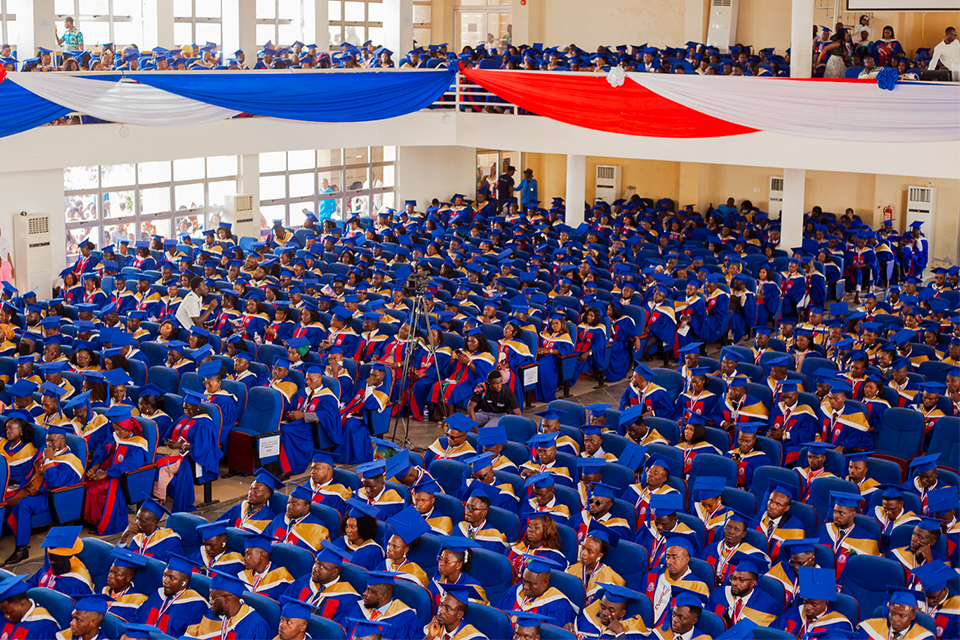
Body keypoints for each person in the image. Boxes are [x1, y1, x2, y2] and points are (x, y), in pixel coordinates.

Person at [4, 424, 84, 566]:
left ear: (63, 441)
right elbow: (30, 466)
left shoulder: (70, 461)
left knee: (24, 504)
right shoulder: (46, 450)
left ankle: (21, 549)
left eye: (53, 441)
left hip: (53, 497)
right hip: (35, 489)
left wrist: (48, 461)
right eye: (48, 440)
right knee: (5, 498)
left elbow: (55, 483)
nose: (49, 444)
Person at [134, 554, 209, 637]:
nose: (165, 581)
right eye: (164, 575)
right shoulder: (157, 594)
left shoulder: (196, 605)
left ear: (184, 582)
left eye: (171, 578)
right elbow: (136, 618)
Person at [181, 571, 271, 640]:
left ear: (227, 599)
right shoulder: (211, 615)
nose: (210, 602)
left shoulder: (255, 626)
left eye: (213, 598)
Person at [495, 555, 577, 628]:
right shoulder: (514, 591)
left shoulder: (558, 606)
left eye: (531, 584)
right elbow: (497, 619)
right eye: (524, 581)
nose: (525, 587)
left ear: (545, 582)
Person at [25, 526, 93, 596]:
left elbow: (73, 604)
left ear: (69, 558)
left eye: (57, 561)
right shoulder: (49, 566)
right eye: (52, 560)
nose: (53, 563)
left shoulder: (77, 582)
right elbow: (31, 582)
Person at [119, 498, 182, 563]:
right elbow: (124, 562)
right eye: (137, 518)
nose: (137, 523)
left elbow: (176, 568)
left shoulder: (170, 542)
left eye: (142, 520)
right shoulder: (138, 539)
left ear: (154, 522)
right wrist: (123, 537)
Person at [856, 588, 934, 640]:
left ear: (913, 616)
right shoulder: (869, 629)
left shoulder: (923, 638)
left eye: (901, 616)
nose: (895, 619)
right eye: (892, 614)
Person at [0, 574, 61, 638]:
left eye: (9, 613)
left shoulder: (44, 627)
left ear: (22, 604)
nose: (6, 616)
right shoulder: (7, 612)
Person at [424, 586, 488, 640]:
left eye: (447, 608)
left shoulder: (472, 637)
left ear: (459, 615)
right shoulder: (432, 628)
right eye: (441, 605)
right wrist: (429, 637)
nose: (441, 611)